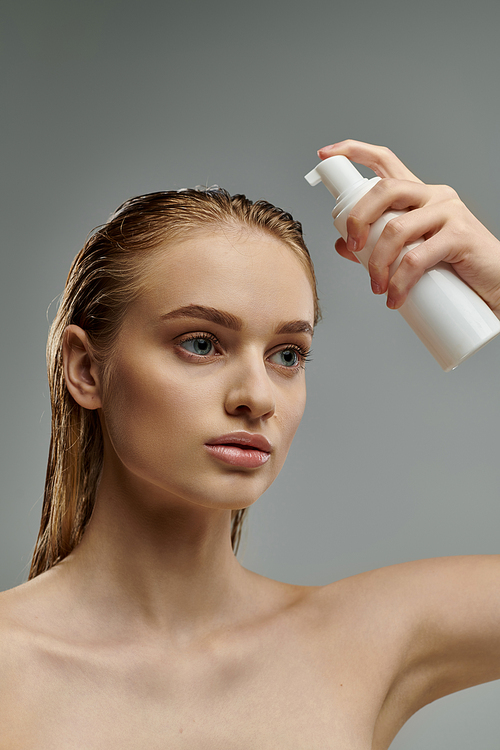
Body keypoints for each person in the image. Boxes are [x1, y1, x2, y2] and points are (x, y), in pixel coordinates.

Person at [0, 140, 499, 749]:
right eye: (201, 343)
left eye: (287, 355)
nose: (256, 397)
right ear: (85, 369)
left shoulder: (369, 640)